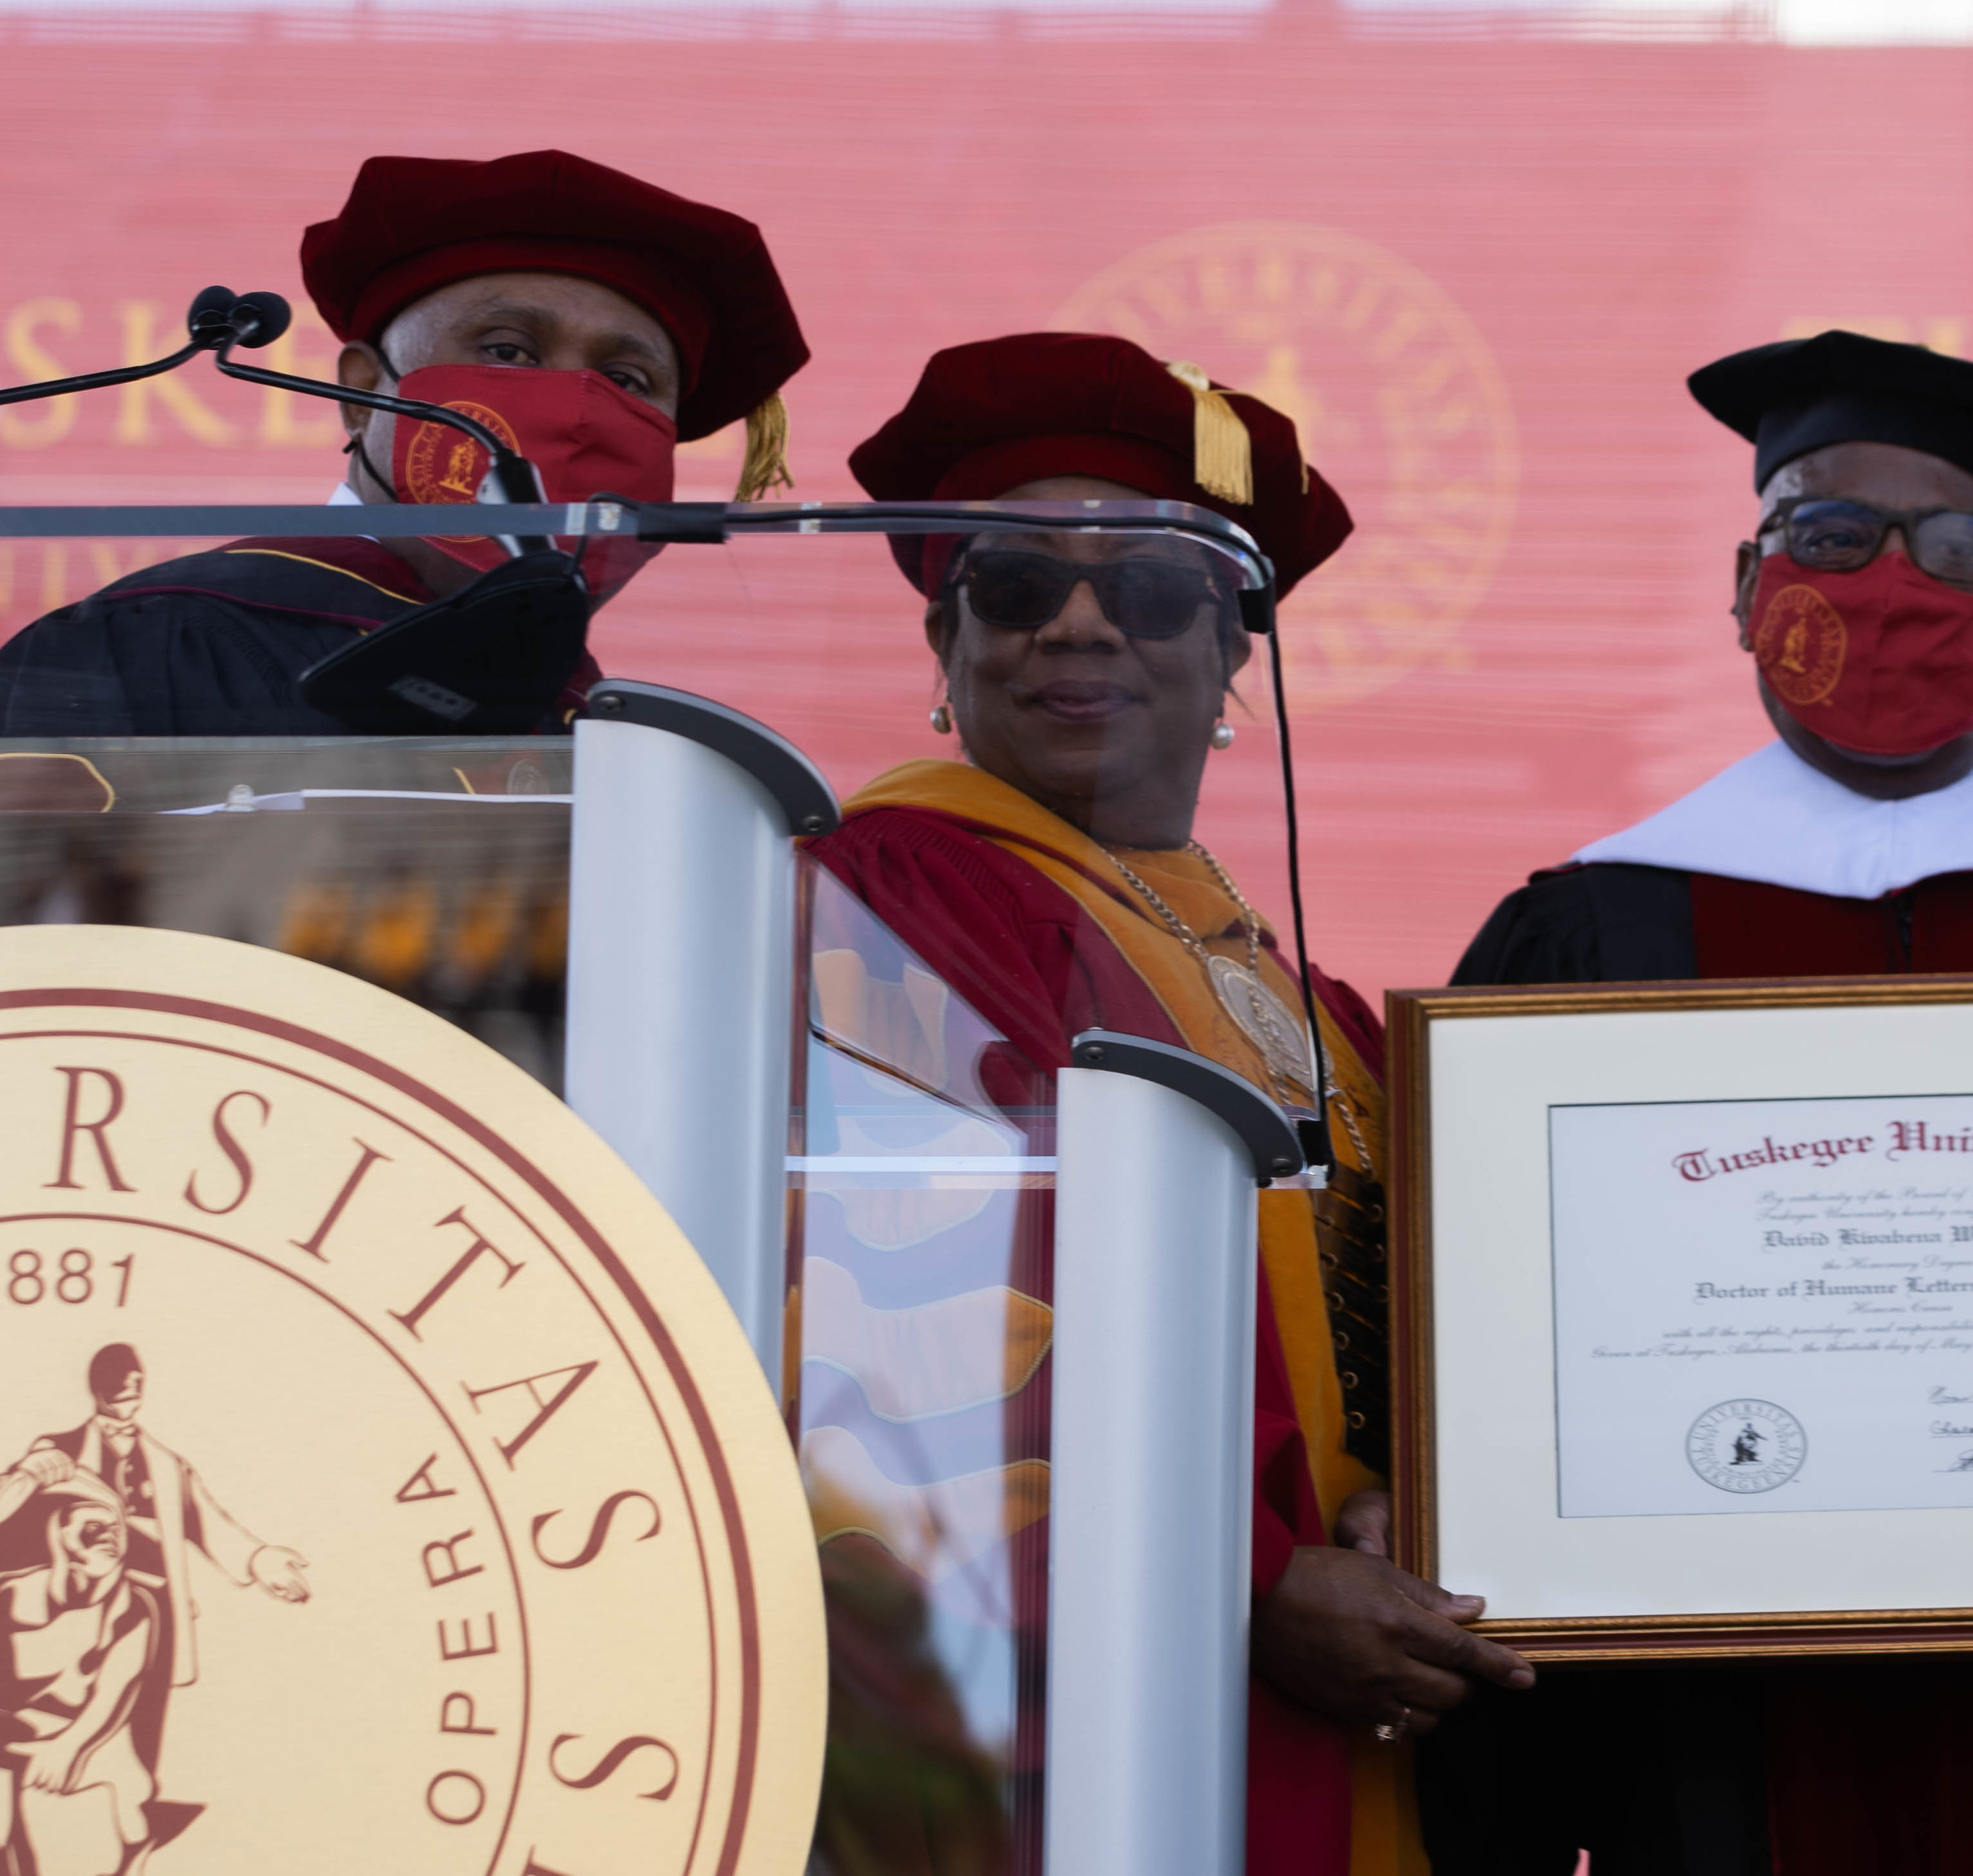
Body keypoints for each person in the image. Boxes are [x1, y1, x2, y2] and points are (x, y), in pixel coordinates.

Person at [1436, 332, 1973, 1876]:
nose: (1889, 585)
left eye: (1961, 547)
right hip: (1717, 1731)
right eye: (1827, 536)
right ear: (1744, 582)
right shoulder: (1580, 939)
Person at [807, 332, 1529, 1876]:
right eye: (1013, 585)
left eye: (1148, 586)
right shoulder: (884, 900)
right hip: (1086, 1717)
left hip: (1368, 1706)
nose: (1078, 620)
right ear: (943, 642)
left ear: (1229, 657)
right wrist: (1250, 1581)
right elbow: (904, 1318)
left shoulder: (1320, 1010)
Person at [0, 147, 809, 735]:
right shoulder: (166, 638)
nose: (574, 406)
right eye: (505, 351)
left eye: (629, 381)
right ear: (362, 395)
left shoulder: (616, 739)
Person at [0, 1345, 307, 1809]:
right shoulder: (58, 1449)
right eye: (119, 1383)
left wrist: (258, 1558)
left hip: (153, 1608)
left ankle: (130, 1809)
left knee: (139, 1719)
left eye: (135, 1383)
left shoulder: (167, 1464)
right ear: (98, 1389)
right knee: (47, 1718)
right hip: (76, 1603)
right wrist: (26, 1475)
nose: (128, 1392)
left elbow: (207, 1521)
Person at [0, 1485, 170, 1876]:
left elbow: (114, 1694)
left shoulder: (135, 1608)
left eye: (116, 1529)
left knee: (99, 1837)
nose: (109, 1537)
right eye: (93, 1526)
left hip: (88, 1740)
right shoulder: (12, 1594)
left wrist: (68, 1747)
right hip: (15, 1735)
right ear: (59, 1535)